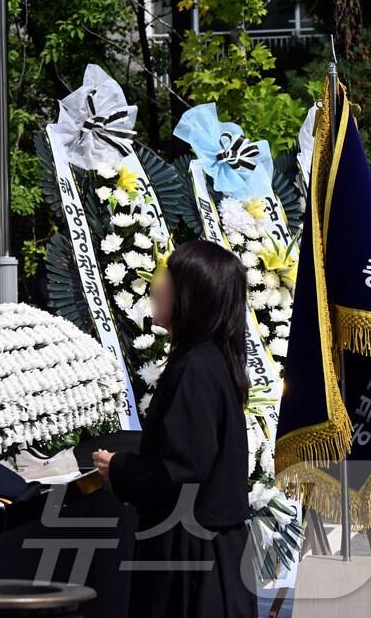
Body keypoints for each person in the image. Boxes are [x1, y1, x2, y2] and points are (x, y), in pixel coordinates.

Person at [92, 239, 255, 617]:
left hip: (192, 561)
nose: (157, 284)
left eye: (168, 275)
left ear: (192, 293)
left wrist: (118, 468)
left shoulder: (196, 367)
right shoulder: (209, 360)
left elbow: (179, 470)